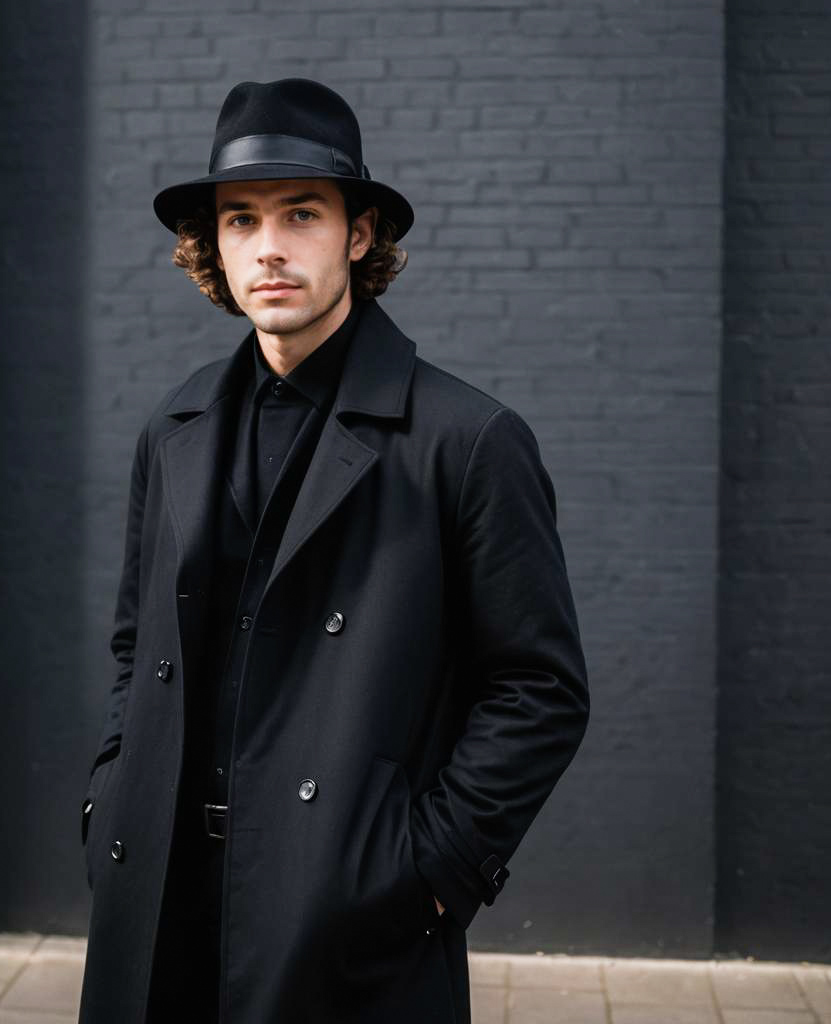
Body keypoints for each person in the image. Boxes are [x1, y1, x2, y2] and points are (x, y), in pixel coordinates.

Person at [77, 78, 589, 1024]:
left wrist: (427, 874)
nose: (267, 247)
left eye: (301, 213)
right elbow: (132, 647)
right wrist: (111, 800)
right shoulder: (175, 423)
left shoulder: (465, 439)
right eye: (239, 221)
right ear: (213, 246)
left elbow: (539, 690)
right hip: (155, 896)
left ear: (359, 234)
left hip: (342, 916)